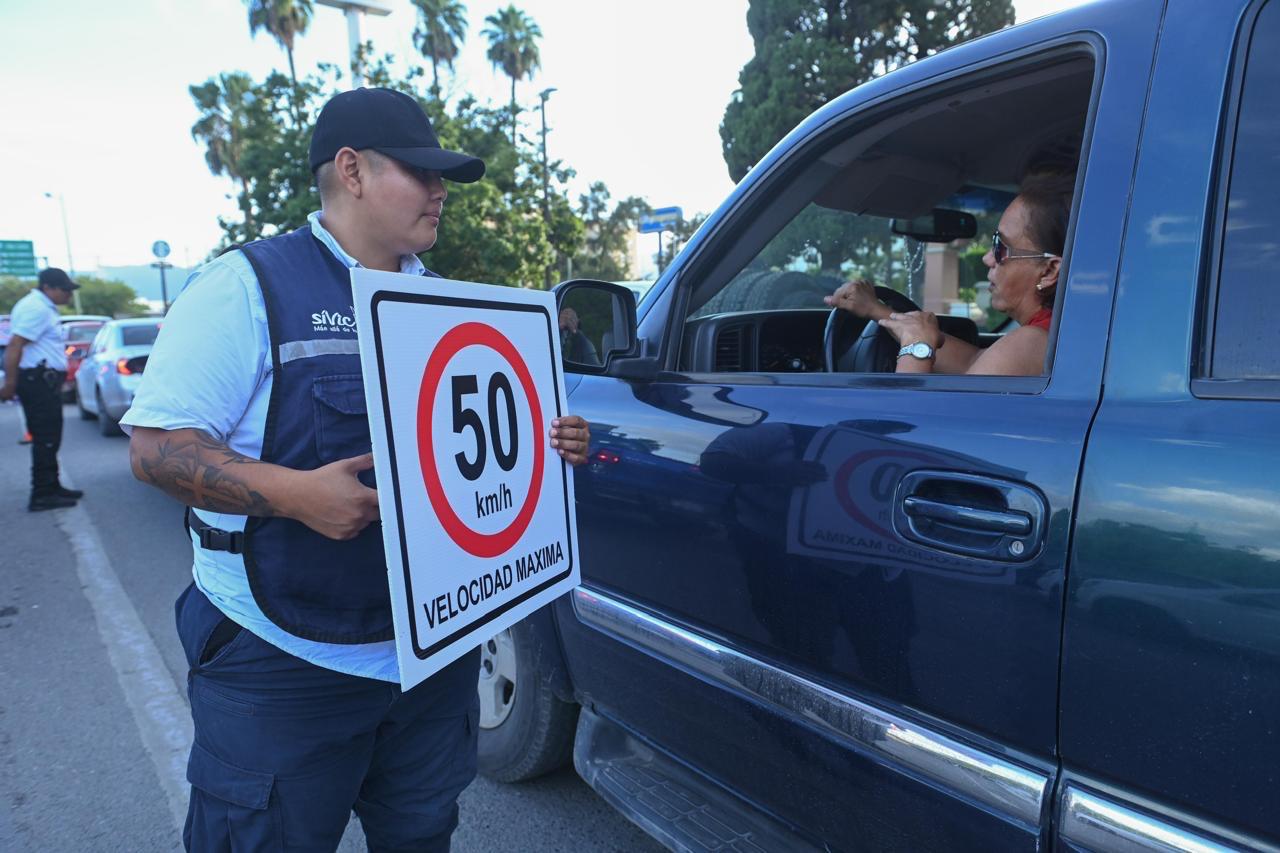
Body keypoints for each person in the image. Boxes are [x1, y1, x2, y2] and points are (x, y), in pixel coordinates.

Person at [122, 87, 592, 852]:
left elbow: (471, 457)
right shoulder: (246, 287)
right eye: (422, 172)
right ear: (351, 170)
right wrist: (295, 495)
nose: (441, 191)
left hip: (431, 664)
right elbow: (153, 448)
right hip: (283, 661)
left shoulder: (446, 305)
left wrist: (551, 441)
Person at [825, 172, 1073, 376]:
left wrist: (916, 348)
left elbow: (914, 424)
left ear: (1049, 271)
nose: (987, 258)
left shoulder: (1033, 343)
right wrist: (876, 310)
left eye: (1000, 247)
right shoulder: (1056, 336)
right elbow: (974, 362)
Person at [0, 268, 86, 511]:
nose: (69, 295)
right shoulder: (36, 308)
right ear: (48, 287)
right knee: (46, 438)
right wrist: (9, 383)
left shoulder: (41, 306)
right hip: (37, 381)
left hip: (41, 380)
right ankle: (42, 493)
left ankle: (51, 486)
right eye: (65, 290)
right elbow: (15, 345)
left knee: (49, 436)